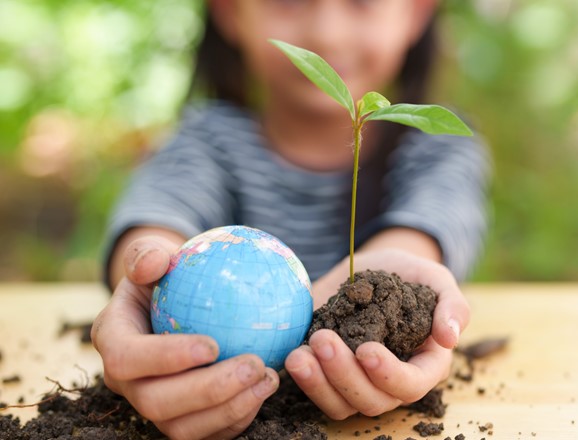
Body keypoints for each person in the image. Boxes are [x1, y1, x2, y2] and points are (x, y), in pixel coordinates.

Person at [91, 1, 490, 439]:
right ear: (229, 11)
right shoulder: (206, 142)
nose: (327, 34)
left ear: (416, 13)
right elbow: (157, 217)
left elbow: (424, 231)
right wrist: (146, 276)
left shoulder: (434, 151)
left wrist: (391, 289)